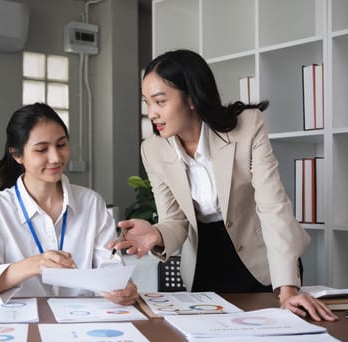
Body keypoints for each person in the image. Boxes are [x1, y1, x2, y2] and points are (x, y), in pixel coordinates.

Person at [110, 49, 337, 321]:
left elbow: (272, 206)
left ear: (192, 97)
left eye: (159, 102)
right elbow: (175, 220)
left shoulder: (247, 127)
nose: (152, 114)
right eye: (147, 103)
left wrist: (287, 291)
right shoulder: (153, 150)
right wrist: (156, 234)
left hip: (262, 258)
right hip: (205, 260)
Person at [0, 102, 137, 306]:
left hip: (82, 324)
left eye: (61, 145)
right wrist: (31, 265)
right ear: (17, 155)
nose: (55, 158)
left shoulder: (91, 203)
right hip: (20, 325)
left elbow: (111, 268)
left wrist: (123, 288)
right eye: (42, 149)